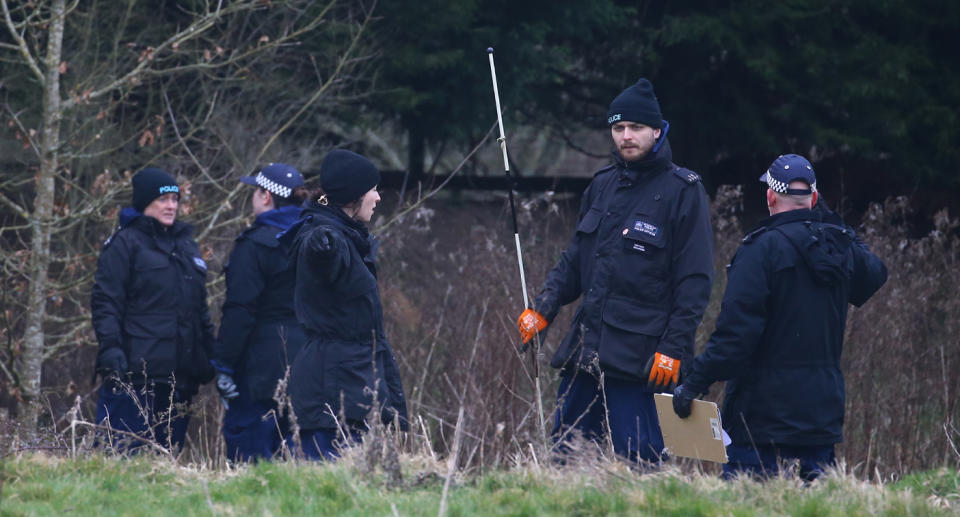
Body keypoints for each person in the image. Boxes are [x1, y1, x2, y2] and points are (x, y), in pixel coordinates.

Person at [518, 78, 715, 463]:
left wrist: (673, 349)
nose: (626, 136)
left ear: (657, 131)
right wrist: (543, 308)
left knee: (641, 462)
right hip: (585, 352)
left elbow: (695, 282)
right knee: (567, 456)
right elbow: (575, 259)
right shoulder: (601, 186)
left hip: (644, 361)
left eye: (636, 128)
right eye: (618, 128)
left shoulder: (684, 191)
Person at [672, 154, 888, 481]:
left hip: (760, 423)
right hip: (821, 418)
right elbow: (875, 274)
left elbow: (734, 339)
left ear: (770, 196)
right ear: (814, 198)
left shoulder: (759, 250)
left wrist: (692, 384)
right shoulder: (839, 246)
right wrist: (829, 218)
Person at [281, 149, 408, 460]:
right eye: (372, 190)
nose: (378, 198)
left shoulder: (349, 236)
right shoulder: (324, 237)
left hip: (353, 383)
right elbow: (318, 253)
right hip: (330, 389)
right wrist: (321, 246)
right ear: (353, 195)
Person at [91, 167, 215, 452]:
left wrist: (210, 356)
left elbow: (200, 311)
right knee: (121, 459)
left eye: (175, 199)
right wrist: (111, 350)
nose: (171, 206)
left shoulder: (187, 247)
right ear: (145, 202)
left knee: (166, 464)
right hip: (134, 375)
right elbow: (105, 302)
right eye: (163, 200)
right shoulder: (124, 244)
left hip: (180, 379)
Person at [211, 163, 309, 461]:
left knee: (251, 458)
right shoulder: (320, 241)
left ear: (266, 197)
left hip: (260, 369)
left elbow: (240, 311)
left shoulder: (254, 245)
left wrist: (224, 365)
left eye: (256, 190)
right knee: (298, 462)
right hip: (311, 365)